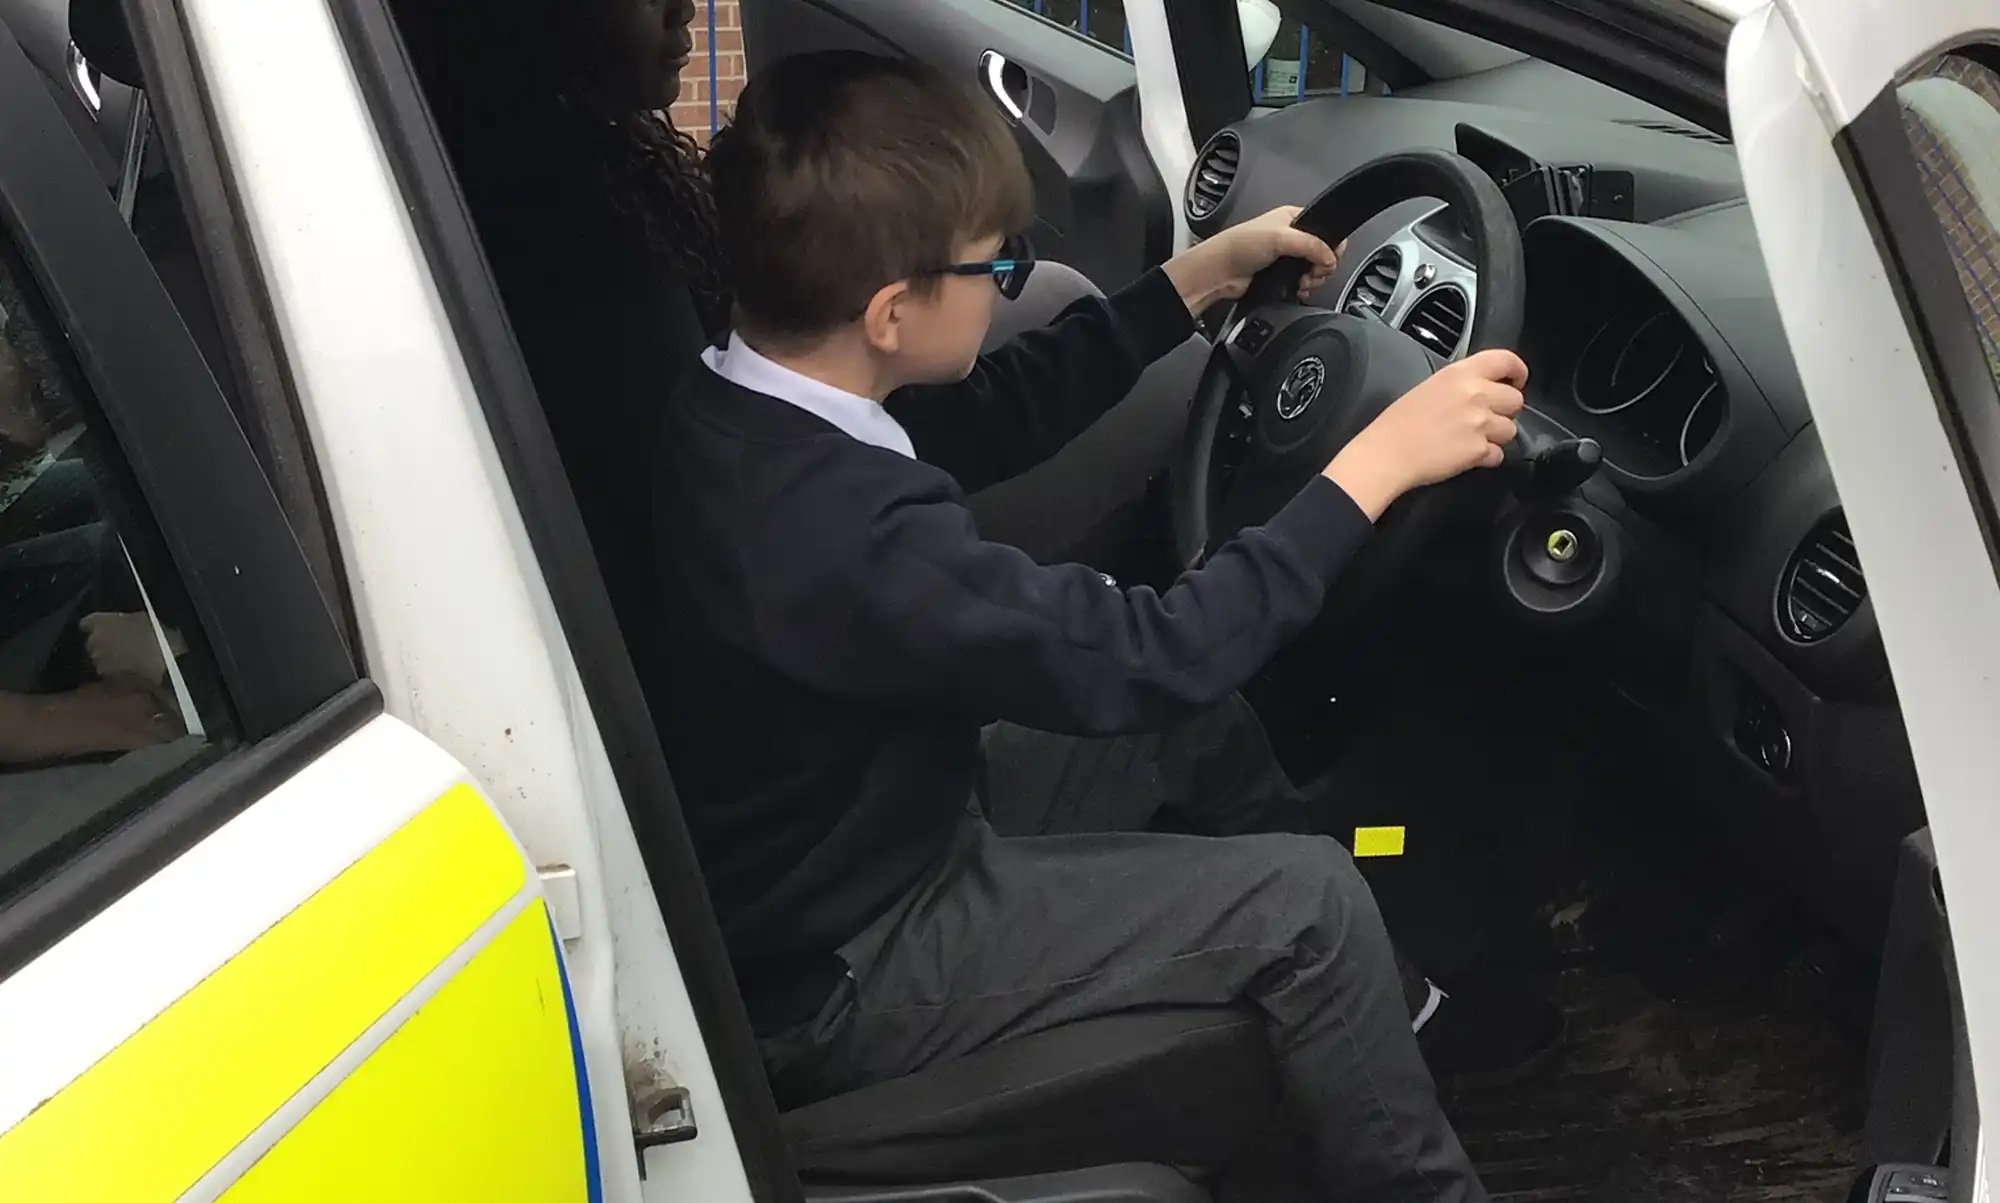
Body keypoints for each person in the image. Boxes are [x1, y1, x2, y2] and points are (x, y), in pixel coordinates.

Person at [653, 51, 1529, 1201]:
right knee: (1310, 901)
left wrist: (1193, 282)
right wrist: (1374, 465)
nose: (1012, 278)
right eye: (995, 264)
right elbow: (1152, 656)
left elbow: (993, 414)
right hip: (851, 965)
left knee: (1196, 727)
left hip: (854, 842)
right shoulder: (845, 531)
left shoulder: (743, 409)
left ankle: (1389, 1016)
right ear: (890, 313)